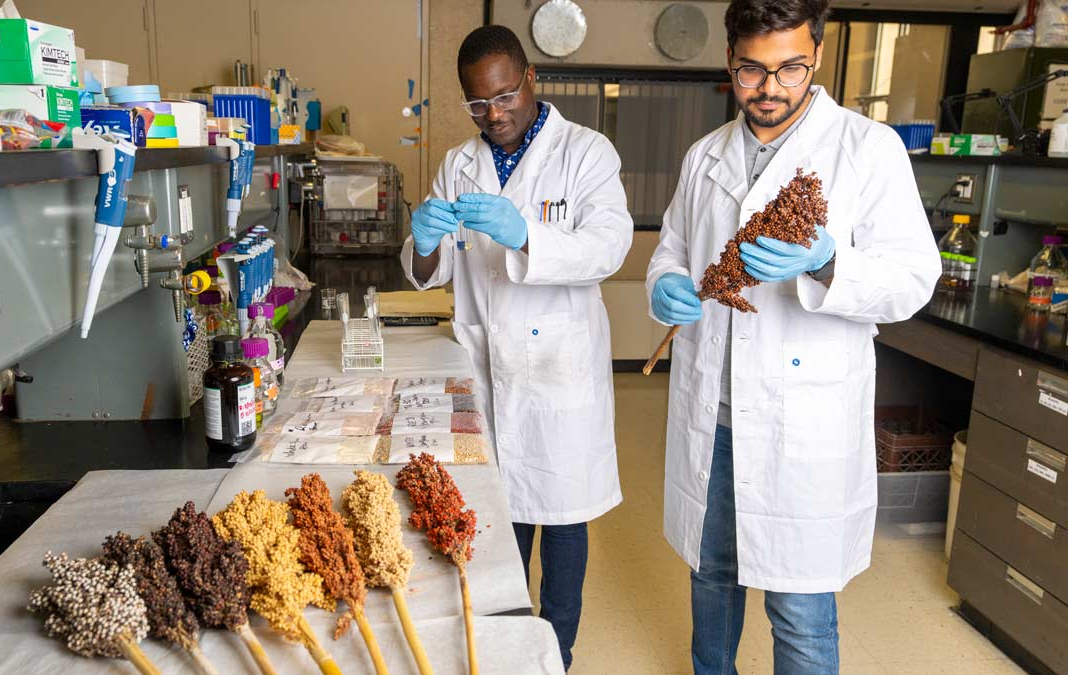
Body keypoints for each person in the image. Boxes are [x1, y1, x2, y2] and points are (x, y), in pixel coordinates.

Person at [645, 1, 941, 672]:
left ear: (818, 55)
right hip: (712, 416)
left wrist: (829, 260)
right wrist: (665, 285)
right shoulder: (704, 157)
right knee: (711, 578)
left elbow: (914, 277)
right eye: (752, 69)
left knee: (800, 611)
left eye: (791, 68)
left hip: (800, 425)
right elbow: (671, 251)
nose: (770, 87)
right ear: (730, 61)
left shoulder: (867, 149)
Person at [401, 24, 633, 669]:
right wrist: (423, 238)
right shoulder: (457, 163)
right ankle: (504, 647)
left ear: (530, 78)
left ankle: (556, 653)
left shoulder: (587, 153)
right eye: (478, 103)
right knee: (497, 518)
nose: (494, 114)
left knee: (561, 518)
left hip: (560, 368)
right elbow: (433, 268)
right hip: (485, 365)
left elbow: (607, 250)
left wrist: (524, 232)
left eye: (504, 97)